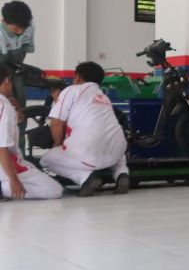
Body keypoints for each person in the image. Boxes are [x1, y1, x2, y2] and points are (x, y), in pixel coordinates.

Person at [40, 62, 130, 196]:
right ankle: (122, 174)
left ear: (77, 78)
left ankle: (86, 178)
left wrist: (57, 145)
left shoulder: (71, 90)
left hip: (88, 154)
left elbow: (56, 121)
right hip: (116, 152)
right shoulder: (104, 97)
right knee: (114, 143)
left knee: (46, 160)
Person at [0, 63, 62, 200]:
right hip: (5, 162)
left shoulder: (6, 105)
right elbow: (2, 148)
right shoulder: (4, 106)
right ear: (6, 81)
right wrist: (14, 180)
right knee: (54, 190)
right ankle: (3, 189)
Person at [1, 0, 35, 150]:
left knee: (19, 119)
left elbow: (22, 55)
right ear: (3, 21)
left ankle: (19, 160)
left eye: (24, 27)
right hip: (1, 75)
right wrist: (8, 95)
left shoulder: (30, 26)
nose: (21, 32)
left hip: (15, 75)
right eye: (16, 29)